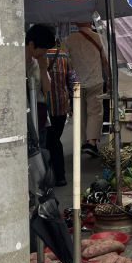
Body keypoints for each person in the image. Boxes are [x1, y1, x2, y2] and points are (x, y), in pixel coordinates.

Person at [64, 22, 111, 157]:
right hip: (95, 81)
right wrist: (110, 78)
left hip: (76, 83)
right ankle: (92, 143)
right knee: (94, 113)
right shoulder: (99, 38)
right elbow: (105, 61)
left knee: (81, 113)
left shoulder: (69, 40)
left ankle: (84, 141)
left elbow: (66, 61)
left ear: (77, 23)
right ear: (90, 23)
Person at [45, 43, 76, 187]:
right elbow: (72, 82)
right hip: (60, 104)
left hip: (41, 107)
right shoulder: (64, 57)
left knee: (43, 142)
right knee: (55, 140)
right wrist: (73, 105)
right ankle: (60, 176)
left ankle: (45, 177)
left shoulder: (37, 56)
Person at [25, 25, 55, 145]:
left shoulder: (38, 62)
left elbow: (47, 88)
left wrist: (43, 70)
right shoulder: (15, 60)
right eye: (43, 49)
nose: (45, 53)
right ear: (31, 44)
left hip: (38, 117)